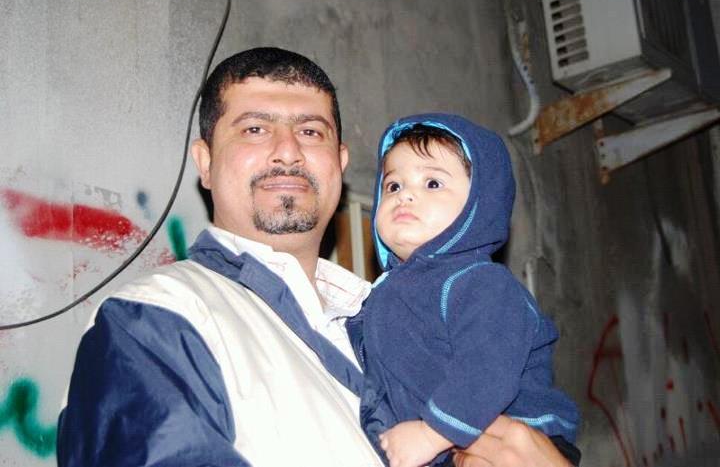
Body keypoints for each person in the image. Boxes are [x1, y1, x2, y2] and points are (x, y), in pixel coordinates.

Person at [57, 47, 579, 467]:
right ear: (206, 162)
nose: (288, 150)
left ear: (340, 163)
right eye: (255, 128)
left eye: (310, 132)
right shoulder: (156, 321)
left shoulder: (383, 318)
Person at [346, 115, 580, 467]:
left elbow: (487, 369)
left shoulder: (480, 283)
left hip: (517, 436)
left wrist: (431, 434)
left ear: (478, 204)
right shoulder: (383, 295)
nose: (405, 194)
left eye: (432, 183)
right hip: (447, 441)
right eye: (393, 185)